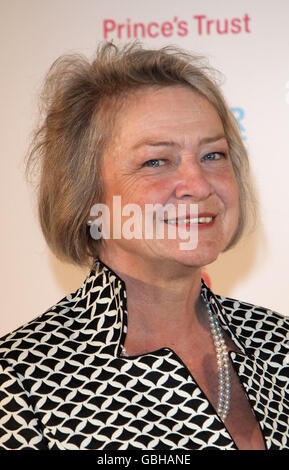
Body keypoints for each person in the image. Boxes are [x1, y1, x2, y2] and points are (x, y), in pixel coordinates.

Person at [0, 42, 288, 451]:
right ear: (85, 197)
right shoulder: (20, 382)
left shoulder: (278, 341)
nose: (199, 185)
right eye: (156, 161)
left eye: (213, 155)